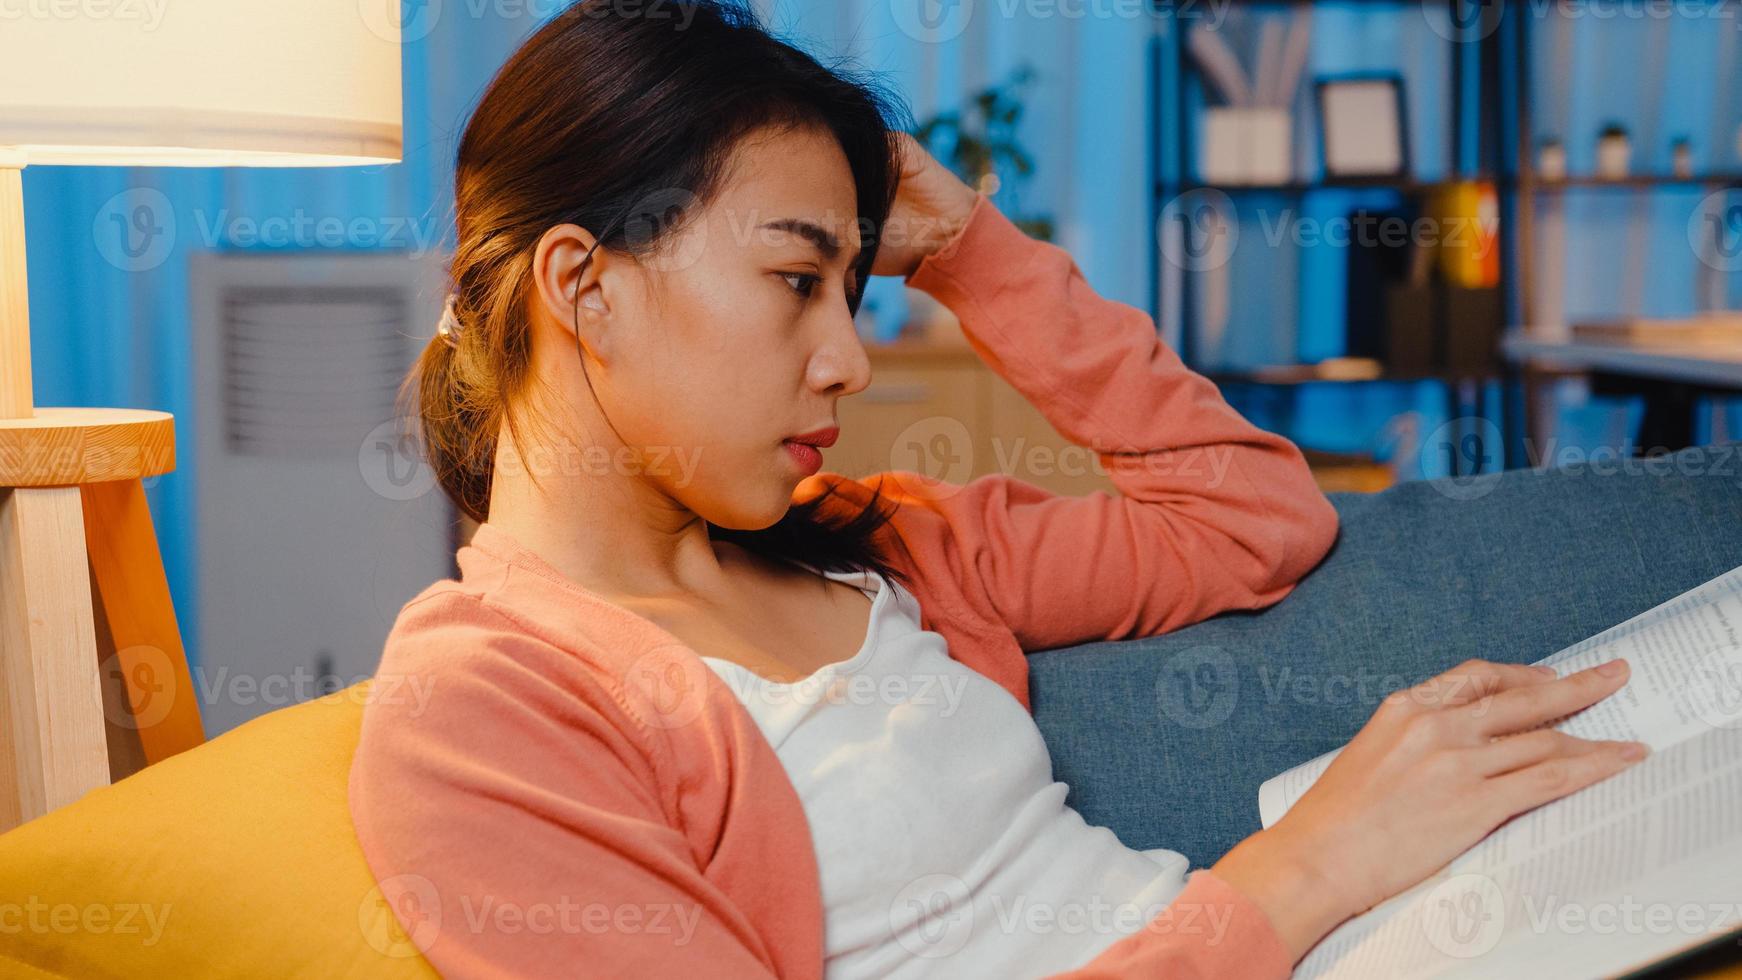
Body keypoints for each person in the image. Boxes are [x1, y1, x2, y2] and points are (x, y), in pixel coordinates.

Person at [349, 2, 1648, 976]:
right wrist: (1297, 873)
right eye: (797, 281)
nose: (848, 358)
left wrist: (974, 253)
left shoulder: (884, 549)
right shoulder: (481, 707)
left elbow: (1257, 518)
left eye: (853, 291)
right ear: (584, 285)